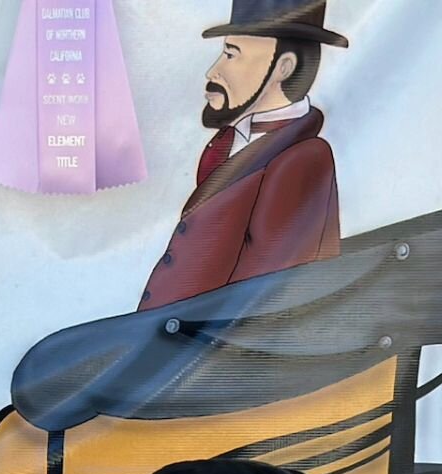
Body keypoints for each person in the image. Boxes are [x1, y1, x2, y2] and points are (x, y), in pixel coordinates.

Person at [138, 1, 348, 312]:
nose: (214, 71)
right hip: (163, 335)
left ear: (284, 68)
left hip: (203, 349)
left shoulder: (303, 159)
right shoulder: (227, 143)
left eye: (232, 55)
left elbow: (262, 300)